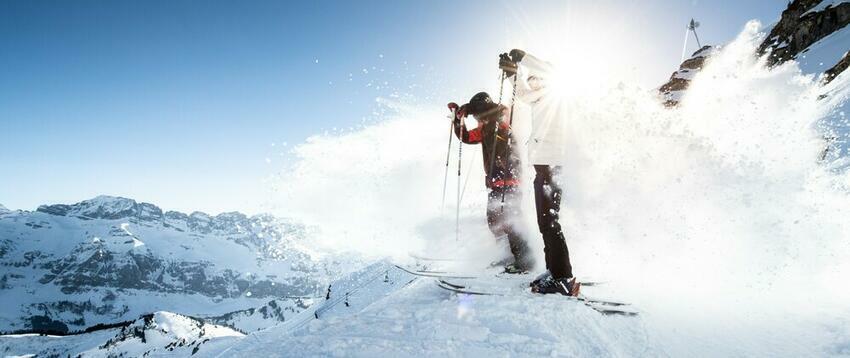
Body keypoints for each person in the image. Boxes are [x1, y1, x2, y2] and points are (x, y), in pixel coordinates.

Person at [499, 49, 580, 296]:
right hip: (541, 169)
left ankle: (563, 277)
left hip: (553, 167)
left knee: (550, 223)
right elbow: (522, 94)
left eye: (535, 79)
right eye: (530, 80)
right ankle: (553, 270)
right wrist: (513, 73)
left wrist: (522, 59)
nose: (532, 84)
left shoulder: (557, 95)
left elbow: (550, 72)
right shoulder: (538, 99)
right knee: (544, 223)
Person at [448, 92, 533, 273]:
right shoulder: (484, 129)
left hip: (510, 177)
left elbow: (501, 112)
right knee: (494, 220)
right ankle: (507, 255)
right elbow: (465, 137)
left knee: (510, 218)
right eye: (477, 117)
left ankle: (525, 260)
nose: (479, 119)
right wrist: (458, 119)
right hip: (495, 182)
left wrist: (472, 108)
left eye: (480, 115)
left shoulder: (502, 118)